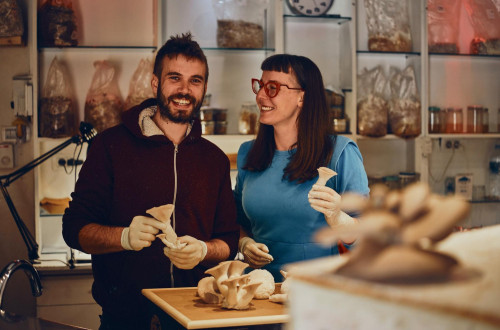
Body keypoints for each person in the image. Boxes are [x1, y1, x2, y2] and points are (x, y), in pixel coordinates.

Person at [62, 33, 239, 330]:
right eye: (175, 78)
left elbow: (229, 241)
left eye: (195, 81)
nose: (184, 90)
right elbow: (74, 229)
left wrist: (203, 251)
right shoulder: (110, 147)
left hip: (196, 316)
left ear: (204, 88)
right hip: (126, 316)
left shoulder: (215, 159)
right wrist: (123, 238)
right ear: (156, 83)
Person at [234, 54, 369, 281]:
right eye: (259, 86)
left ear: (302, 98)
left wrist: (339, 219)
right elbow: (236, 220)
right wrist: (243, 242)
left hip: (319, 293)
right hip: (256, 290)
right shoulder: (248, 153)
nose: (260, 95)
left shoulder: (340, 153)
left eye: (273, 87)